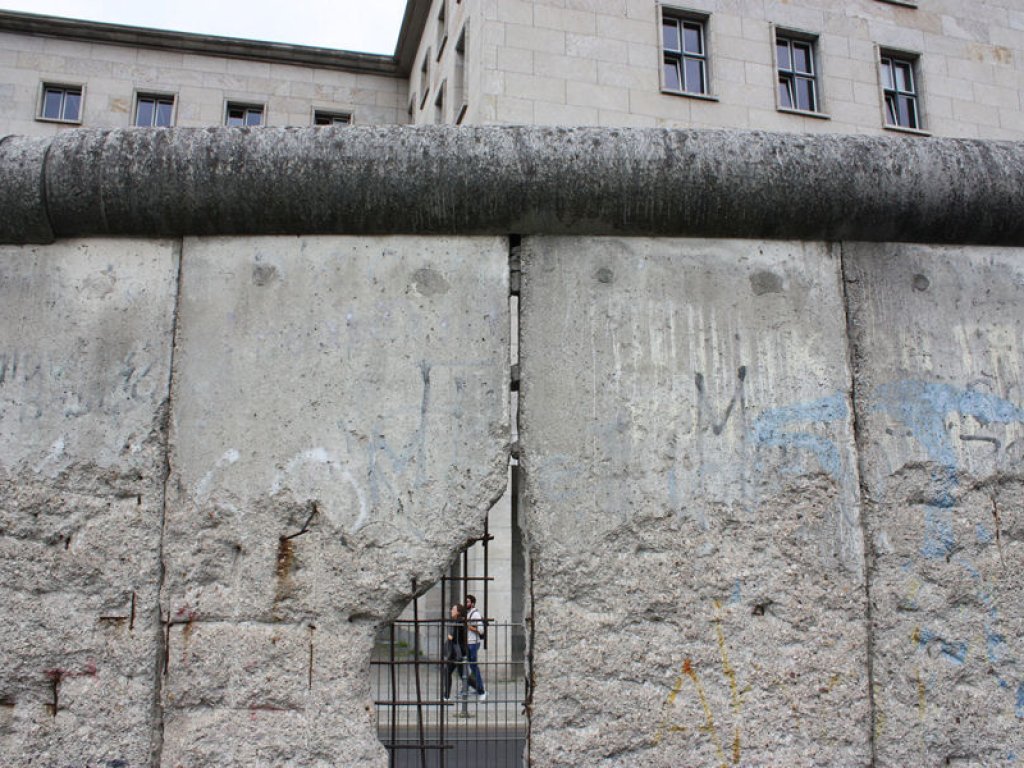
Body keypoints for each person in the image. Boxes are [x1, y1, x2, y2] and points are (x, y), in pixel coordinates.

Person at [443, 603, 469, 701]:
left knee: (463, 675)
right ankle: (446, 696)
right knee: (451, 672)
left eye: (453, 609)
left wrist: (450, 636)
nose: (451, 611)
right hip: (456, 652)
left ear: (458, 611)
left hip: (458, 653)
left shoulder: (458, 622)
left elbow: (452, 637)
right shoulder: (458, 621)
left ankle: (480, 690)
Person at [465, 594, 486, 701]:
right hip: (468, 642)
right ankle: (474, 687)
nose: (466, 603)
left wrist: (469, 627)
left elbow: (481, 630)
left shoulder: (475, 614)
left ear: (472, 603)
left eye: (468, 602)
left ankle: (481, 690)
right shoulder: (467, 614)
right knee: (469, 666)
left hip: (474, 643)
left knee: (473, 666)